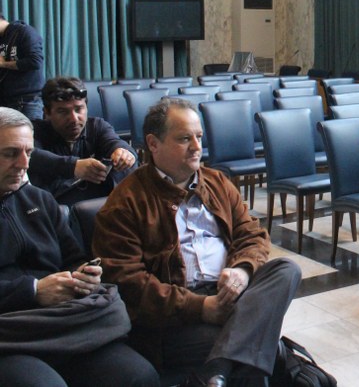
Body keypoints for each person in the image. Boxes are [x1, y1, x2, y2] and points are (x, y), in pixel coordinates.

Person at [93, 99, 302, 387]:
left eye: (199, 137)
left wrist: (241, 270)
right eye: (184, 139)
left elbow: (251, 234)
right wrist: (201, 306)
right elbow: (127, 282)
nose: (196, 147)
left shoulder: (217, 182)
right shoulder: (126, 202)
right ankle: (223, 366)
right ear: (153, 144)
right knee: (258, 349)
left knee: (286, 269)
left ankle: (216, 370)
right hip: (175, 319)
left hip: (230, 293)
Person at [0, 107, 159, 387]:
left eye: (29, 153)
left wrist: (83, 274)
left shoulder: (40, 200)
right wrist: (33, 290)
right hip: (11, 333)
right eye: (11, 153)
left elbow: (73, 257)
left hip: (63, 323)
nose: (24, 163)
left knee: (138, 376)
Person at [30, 77, 137, 205]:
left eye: (78, 109)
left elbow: (114, 142)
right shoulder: (34, 131)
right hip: (54, 208)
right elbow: (31, 155)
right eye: (63, 112)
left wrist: (124, 153)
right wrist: (73, 166)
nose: (74, 119)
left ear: (86, 107)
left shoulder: (97, 126)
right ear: (47, 113)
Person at [0, 13, 45, 120]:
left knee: (30, 130)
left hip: (27, 101)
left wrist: (3, 64)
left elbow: (35, 61)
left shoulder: (24, 32)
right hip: (6, 102)